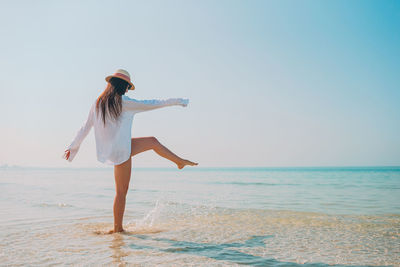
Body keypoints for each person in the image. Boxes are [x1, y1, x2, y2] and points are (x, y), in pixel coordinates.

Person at [63, 69, 198, 234]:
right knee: (121, 192)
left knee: (152, 142)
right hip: (121, 150)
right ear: (123, 86)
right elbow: (153, 103)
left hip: (110, 149)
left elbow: (85, 126)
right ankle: (118, 229)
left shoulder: (99, 102)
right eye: (127, 87)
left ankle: (179, 162)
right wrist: (180, 101)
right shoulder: (124, 102)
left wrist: (72, 147)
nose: (127, 90)